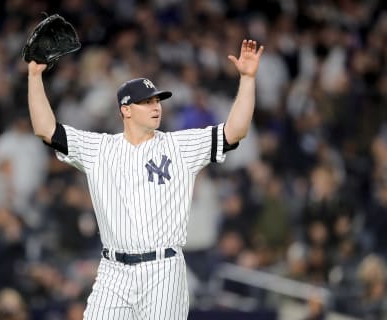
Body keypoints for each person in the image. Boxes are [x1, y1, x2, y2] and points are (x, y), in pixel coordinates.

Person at [27, 39, 263, 319]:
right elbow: (46, 130)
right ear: (125, 110)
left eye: (157, 101)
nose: (156, 107)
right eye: (146, 102)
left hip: (163, 270)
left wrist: (247, 79)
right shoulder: (100, 149)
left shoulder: (179, 146)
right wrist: (34, 76)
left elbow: (234, 132)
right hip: (113, 270)